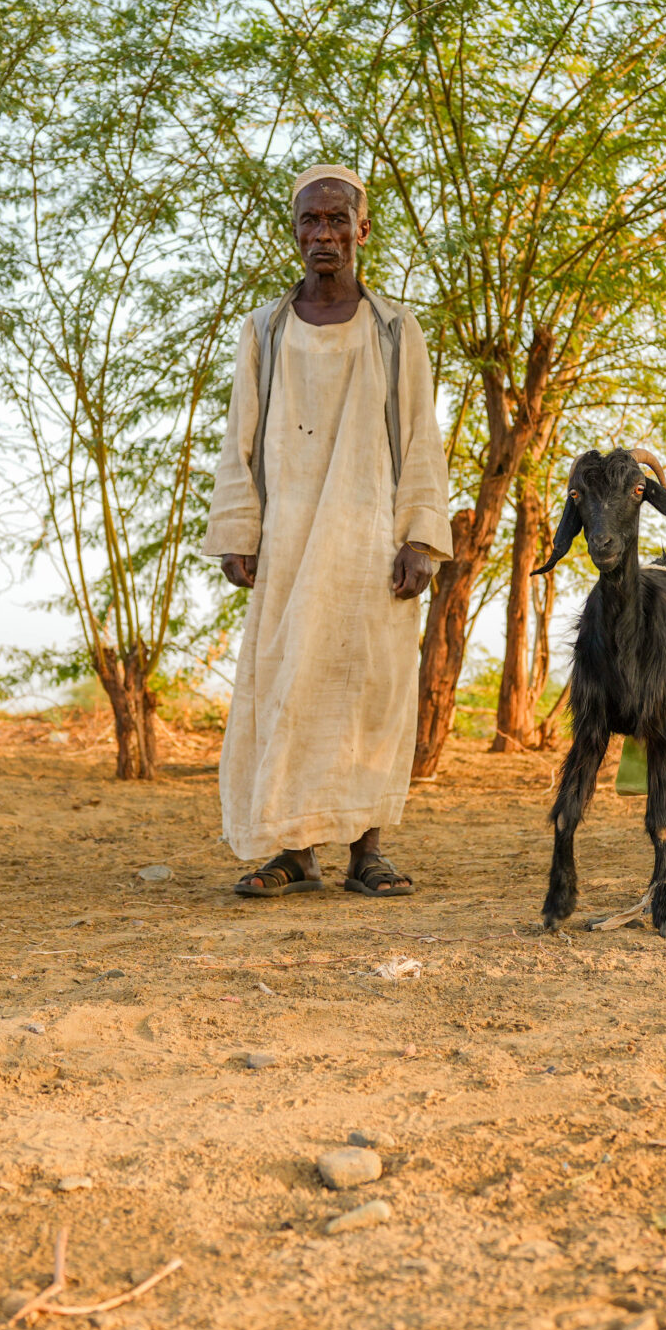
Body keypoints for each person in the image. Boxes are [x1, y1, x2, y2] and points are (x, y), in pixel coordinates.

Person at [200, 164, 453, 898]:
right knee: (288, 685)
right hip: (289, 542)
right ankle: (293, 850)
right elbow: (238, 439)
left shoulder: (397, 330)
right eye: (311, 221)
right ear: (295, 232)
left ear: (363, 231)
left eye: (338, 220)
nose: (325, 234)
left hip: (371, 544)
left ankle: (366, 851)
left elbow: (421, 439)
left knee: (369, 693)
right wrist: (239, 529)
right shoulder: (265, 330)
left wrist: (419, 538)